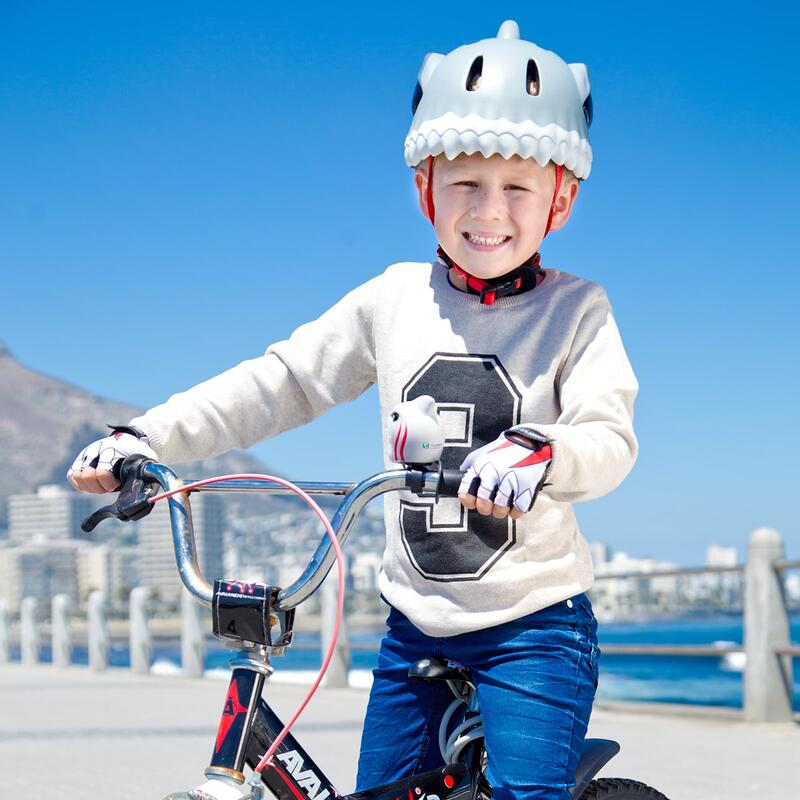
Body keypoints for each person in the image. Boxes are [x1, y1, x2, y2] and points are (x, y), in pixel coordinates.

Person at [68, 20, 637, 800]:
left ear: (561, 201)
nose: (489, 210)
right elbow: (283, 381)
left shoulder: (578, 311)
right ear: (424, 187)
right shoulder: (391, 300)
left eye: (518, 188)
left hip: (531, 626)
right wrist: (147, 434)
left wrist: (543, 453)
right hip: (416, 624)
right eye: (466, 183)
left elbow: (608, 437)